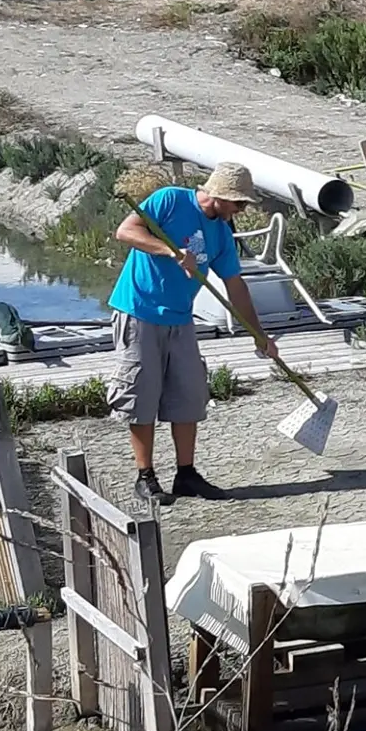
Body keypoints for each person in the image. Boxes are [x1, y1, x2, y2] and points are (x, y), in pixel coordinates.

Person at [110, 165, 275, 505]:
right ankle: (145, 477)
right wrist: (171, 251)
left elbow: (235, 286)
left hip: (181, 319)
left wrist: (258, 334)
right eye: (238, 204)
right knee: (141, 396)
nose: (241, 211)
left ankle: (186, 474)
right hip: (139, 310)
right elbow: (125, 231)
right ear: (219, 196)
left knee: (188, 395)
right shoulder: (169, 200)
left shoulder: (222, 234)